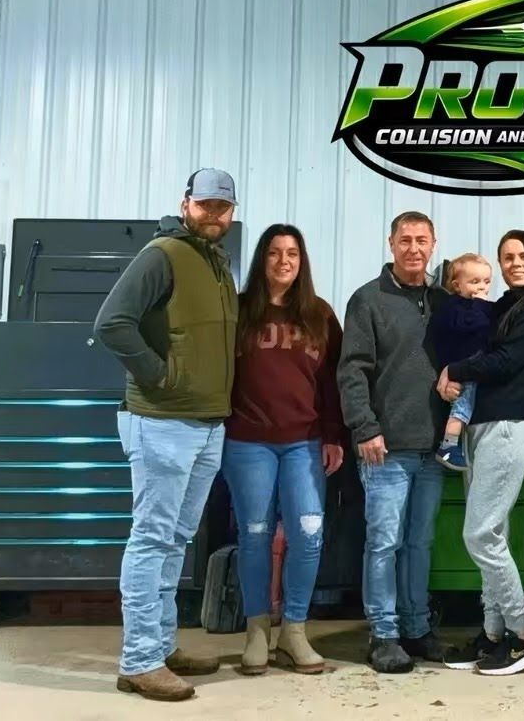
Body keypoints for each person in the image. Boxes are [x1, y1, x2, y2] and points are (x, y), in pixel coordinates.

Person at [93, 169, 239, 703]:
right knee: (152, 538)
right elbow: (112, 322)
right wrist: (160, 375)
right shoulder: (162, 254)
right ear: (185, 204)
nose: (215, 215)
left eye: (223, 207)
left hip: (204, 424)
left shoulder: (215, 260)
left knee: (176, 539)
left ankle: (160, 646)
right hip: (162, 420)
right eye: (205, 205)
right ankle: (138, 661)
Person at [222, 224, 345, 675]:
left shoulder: (319, 315)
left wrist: (334, 435)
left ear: (302, 260)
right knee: (255, 533)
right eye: (274, 253)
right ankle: (257, 630)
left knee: (308, 533)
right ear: (262, 259)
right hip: (247, 442)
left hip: (304, 443)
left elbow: (332, 382)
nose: (284, 261)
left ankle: (294, 630)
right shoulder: (237, 312)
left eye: (292, 253)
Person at [438, 231, 524, 676]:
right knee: (495, 532)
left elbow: (506, 361)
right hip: (483, 427)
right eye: (507, 257)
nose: (515, 263)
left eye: (523, 255)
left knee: (480, 534)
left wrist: (454, 369)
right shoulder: (503, 304)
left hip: (511, 426)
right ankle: (493, 635)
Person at [338, 210, 449, 674]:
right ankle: (383, 634)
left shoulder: (444, 302)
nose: (413, 249)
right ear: (391, 244)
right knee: (384, 542)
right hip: (385, 447)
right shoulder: (367, 300)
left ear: (433, 244)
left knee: (419, 542)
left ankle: (416, 627)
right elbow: (352, 370)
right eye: (405, 240)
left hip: (434, 449)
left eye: (421, 240)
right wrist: (364, 427)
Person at [429, 254, 495, 472]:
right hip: (463, 366)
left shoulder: (472, 306)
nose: (481, 287)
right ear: (457, 285)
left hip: (474, 365)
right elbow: (472, 326)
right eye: (474, 282)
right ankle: (448, 445)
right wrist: (480, 305)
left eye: (486, 282)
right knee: (462, 404)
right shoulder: (456, 307)